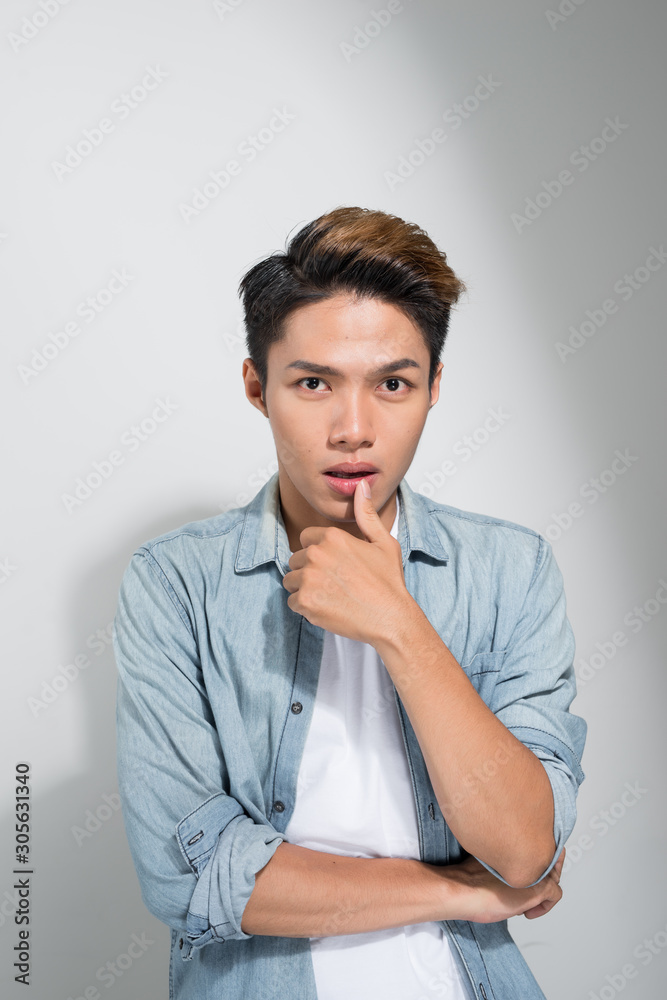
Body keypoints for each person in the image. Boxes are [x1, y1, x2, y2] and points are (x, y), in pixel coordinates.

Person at [113, 206, 587, 1000]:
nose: (353, 429)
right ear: (257, 388)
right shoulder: (176, 583)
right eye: (312, 384)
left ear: (434, 388)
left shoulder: (511, 568)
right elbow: (187, 879)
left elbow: (523, 847)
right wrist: (459, 893)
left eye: (392, 384)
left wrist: (397, 623)